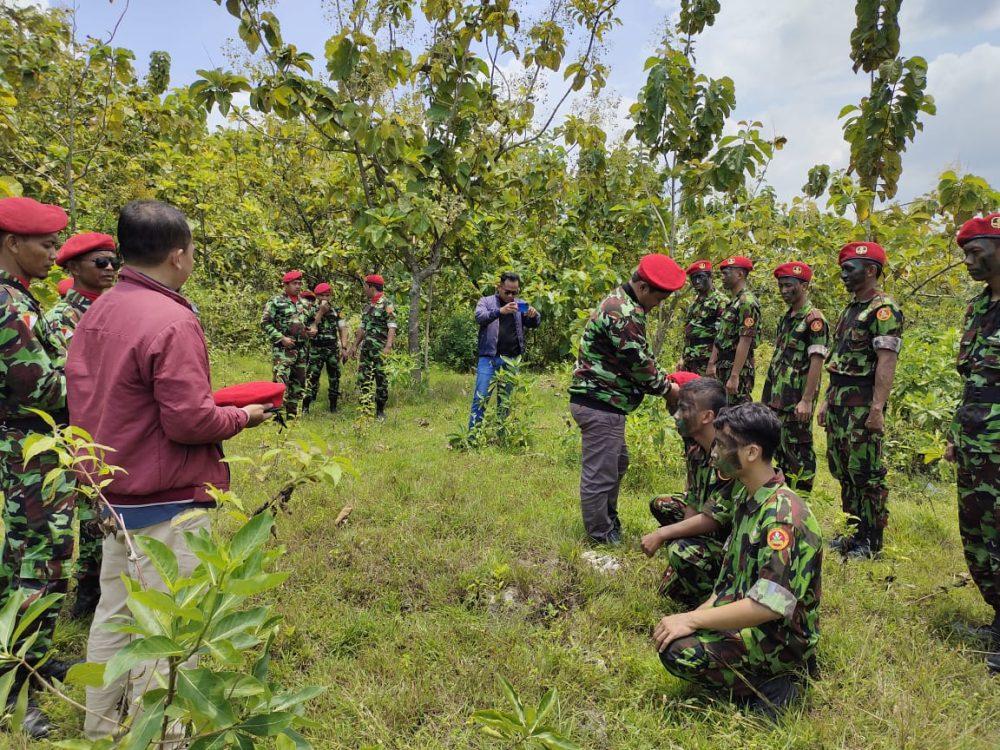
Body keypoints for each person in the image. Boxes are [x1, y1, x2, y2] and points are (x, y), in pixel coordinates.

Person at [65, 200, 271, 740]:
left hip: (114, 490)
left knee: (115, 613)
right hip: (166, 499)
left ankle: (101, 724)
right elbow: (189, 421)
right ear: (179, 255)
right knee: (167, 624)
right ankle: (162, 736)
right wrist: (243, 416)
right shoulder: (173, 320)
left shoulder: (99, 309)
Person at [654, 403, 822, 718]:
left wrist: (690, 621)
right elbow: (729, 582)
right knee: (674, 638)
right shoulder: (747, 496)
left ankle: (777, 684)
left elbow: (767, 606)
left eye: (722, 444)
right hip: (751, 619)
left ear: (751, 453)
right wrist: (695, 615)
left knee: (681, 653)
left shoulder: (782, 518)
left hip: (778, 637)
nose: (713, 452)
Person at [0, 196, 75, 738]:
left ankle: (30, 662)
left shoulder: (19, 298)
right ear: (12, 243)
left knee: (31, 560)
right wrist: (97, 380)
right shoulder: (11, 306)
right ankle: (18, 690)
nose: (54, 253)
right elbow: (42, 386)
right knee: (37, 567)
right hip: (31, 452)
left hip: (29, 449)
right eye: (46, 244)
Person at [568, 253, 685, 544]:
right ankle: (600, 536)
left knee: (616, 464)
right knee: (601, 474)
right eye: (659, 298)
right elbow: (639, 365)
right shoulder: (622, 312)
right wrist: (669, 389)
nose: (658, 305)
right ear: (644, 287)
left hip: (607, 402)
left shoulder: (627, 305)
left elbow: (643, 357)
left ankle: (607, 522)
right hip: (600, 403)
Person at [48, 231, 121, 619]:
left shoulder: (117, 308)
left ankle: (105, 588)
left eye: (114, 261)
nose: (110, 268)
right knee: (91, 515)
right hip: (78, 430)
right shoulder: (63, 317)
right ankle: (88, 596)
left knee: (110, 507)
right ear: (74, 267)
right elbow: (69, 380)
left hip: (117, 425)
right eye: (100, 262)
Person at [817, 242, 903, 560]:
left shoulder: (884, 310)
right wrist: (827, 400)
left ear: (870, 270)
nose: (843, 274)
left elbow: (886, 361)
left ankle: (871, 540)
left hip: (862, 405)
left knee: (866, 473)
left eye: (848, 268)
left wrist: (877, 408)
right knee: (844, 471)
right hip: (840, 402)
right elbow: (839, 360)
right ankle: (852, 533)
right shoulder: (852, 309)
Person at [947, 213, 1000, 672]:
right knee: (979, 533)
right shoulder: (979, 308)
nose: (968, 261)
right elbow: (973, 382)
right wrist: (956, 433)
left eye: (975, 252)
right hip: (975, 441)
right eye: (965, 253)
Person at [641, 377, 745, 607]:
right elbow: (694, 499)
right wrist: (683, 535)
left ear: (707, 416)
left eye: (684, 409)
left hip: (736, 541)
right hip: (713, 522)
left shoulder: (729, 455)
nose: (677, 416)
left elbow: (713, 521)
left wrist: (663, 534)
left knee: (681, 550)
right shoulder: (697, 449)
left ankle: (716, 602)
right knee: (662, 504)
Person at [761, 262, 829, 493]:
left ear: (804, 285)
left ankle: (801, 503)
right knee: (780, 450)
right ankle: (784, 499)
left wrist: (807, 400)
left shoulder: (813, 319)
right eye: (780, 286)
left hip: (796, 401)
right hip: (776, 399)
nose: (783, 290)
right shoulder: (786, 318)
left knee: (799, 452)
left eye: (789, 285)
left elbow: (817, 361)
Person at [468, 271, 541, 431]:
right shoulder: (486, 301)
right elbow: (479, 317)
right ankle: (473, 438)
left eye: (514, 292)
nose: (510, 296)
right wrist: (500, 311)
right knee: (481, 398)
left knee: (505, 401)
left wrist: (533, 315)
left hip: (512, 361)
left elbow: (534, 323)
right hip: (489, 359)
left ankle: (503, 436)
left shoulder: (520, 304)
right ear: (499, 287)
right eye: (507, 291)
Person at [707, 256, 760, 405]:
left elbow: (746, 340)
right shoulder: (733, 303)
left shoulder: (747, 302)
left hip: (738, 369)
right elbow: (721, 336)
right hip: (724, 366)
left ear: (740, 274)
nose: (722, 278)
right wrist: (713, 362)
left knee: (738, 415)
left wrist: (735, 375)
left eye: (726, 273)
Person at [346, 273, 396, 421]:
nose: (364, 289)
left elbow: (392, 326)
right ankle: (365, 410)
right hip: (366, 349)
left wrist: (388, 346)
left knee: (381, 379)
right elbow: (362, 328)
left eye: (365, 286)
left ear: (371, 287)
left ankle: (380, 411)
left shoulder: (388, 304)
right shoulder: (368, 306)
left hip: (380, 350)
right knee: (364, 378)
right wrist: (354, 345)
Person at [261, 270, 309, 417]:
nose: (298, 286)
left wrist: (311, 329)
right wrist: (281, 338)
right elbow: (265, 323)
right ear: (286, 285)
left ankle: (292, 415)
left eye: (300, 283)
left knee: (298, 384)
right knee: (281, 382)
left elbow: (310, 322)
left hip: (300, 350)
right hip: (283, 350)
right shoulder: (276, 301)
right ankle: (277, 416)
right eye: (295, 283)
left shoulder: (304, 303)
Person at [304, 282, 349, 413]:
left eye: (327, 295)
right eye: (322, 295)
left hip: (332, 349)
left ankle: (333, 407)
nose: (325, 298)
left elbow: (343, 328)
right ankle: (305, 407)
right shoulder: (311, 310)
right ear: (317, 296)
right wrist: (321, 311)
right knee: (311, 377)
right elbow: (311, 326)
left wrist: (344, 347)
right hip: (316, 349)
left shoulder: (338, 311)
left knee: (334, 377)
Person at [679, 261, 727, 376]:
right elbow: (688, 332)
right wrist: (682, 358)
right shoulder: (694, 303)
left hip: (706, 361)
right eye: (693, 278)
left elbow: (722, 336)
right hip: (690, 360)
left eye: (701, 277)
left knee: (706, 393)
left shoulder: (721, 301)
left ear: (710, 277)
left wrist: (712, 363)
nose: (696, 281)